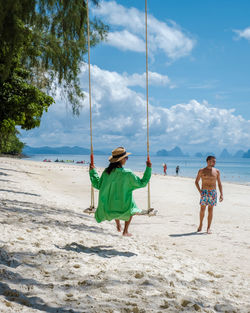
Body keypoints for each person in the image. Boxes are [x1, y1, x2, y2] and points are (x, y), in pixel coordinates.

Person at [89, 147, 152, 237]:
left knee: (114, 198)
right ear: (121, 160)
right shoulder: (127, 174)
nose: (126, 160)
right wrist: (148, 168)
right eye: (126, 158)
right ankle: (125, 231)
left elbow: (97, 185)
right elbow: (142, 183)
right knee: (131, 206)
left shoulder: (107, 172)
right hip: (124, 207)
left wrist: (92, 171)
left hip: (109, 207)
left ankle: (118, 224)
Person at [195, 155, 223, 234]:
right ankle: (200, 225)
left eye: (215, 161)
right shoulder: (201, 170)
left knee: (210, 210)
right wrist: (200, 191)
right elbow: (196, 182)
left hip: (213, 192)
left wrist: (221, 194)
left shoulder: (217, 171)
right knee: (202, 210)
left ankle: (208, 228)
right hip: (204, 192)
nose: (214, 162)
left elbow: (219, 183)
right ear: (208, 161)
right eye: (213, 161)